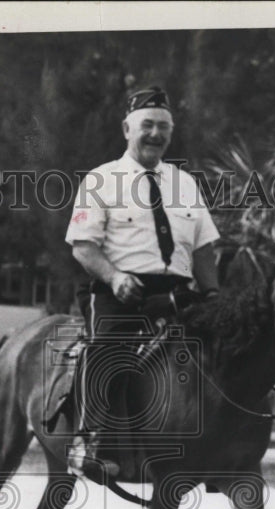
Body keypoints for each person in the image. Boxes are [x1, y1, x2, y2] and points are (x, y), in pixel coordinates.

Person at [64, 85, 221, 477]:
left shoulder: (185, 184)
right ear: (126, 129)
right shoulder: (101, 180)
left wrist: (213, 294)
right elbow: (83, 247)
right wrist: (115, 277)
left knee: (226, 350)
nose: (155, 134)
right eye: (147, 125)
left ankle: (223, 450)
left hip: (179, 294)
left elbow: (203, 250)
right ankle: (90, 442)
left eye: (163, 127)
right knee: (107, 349)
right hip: (119, 293)